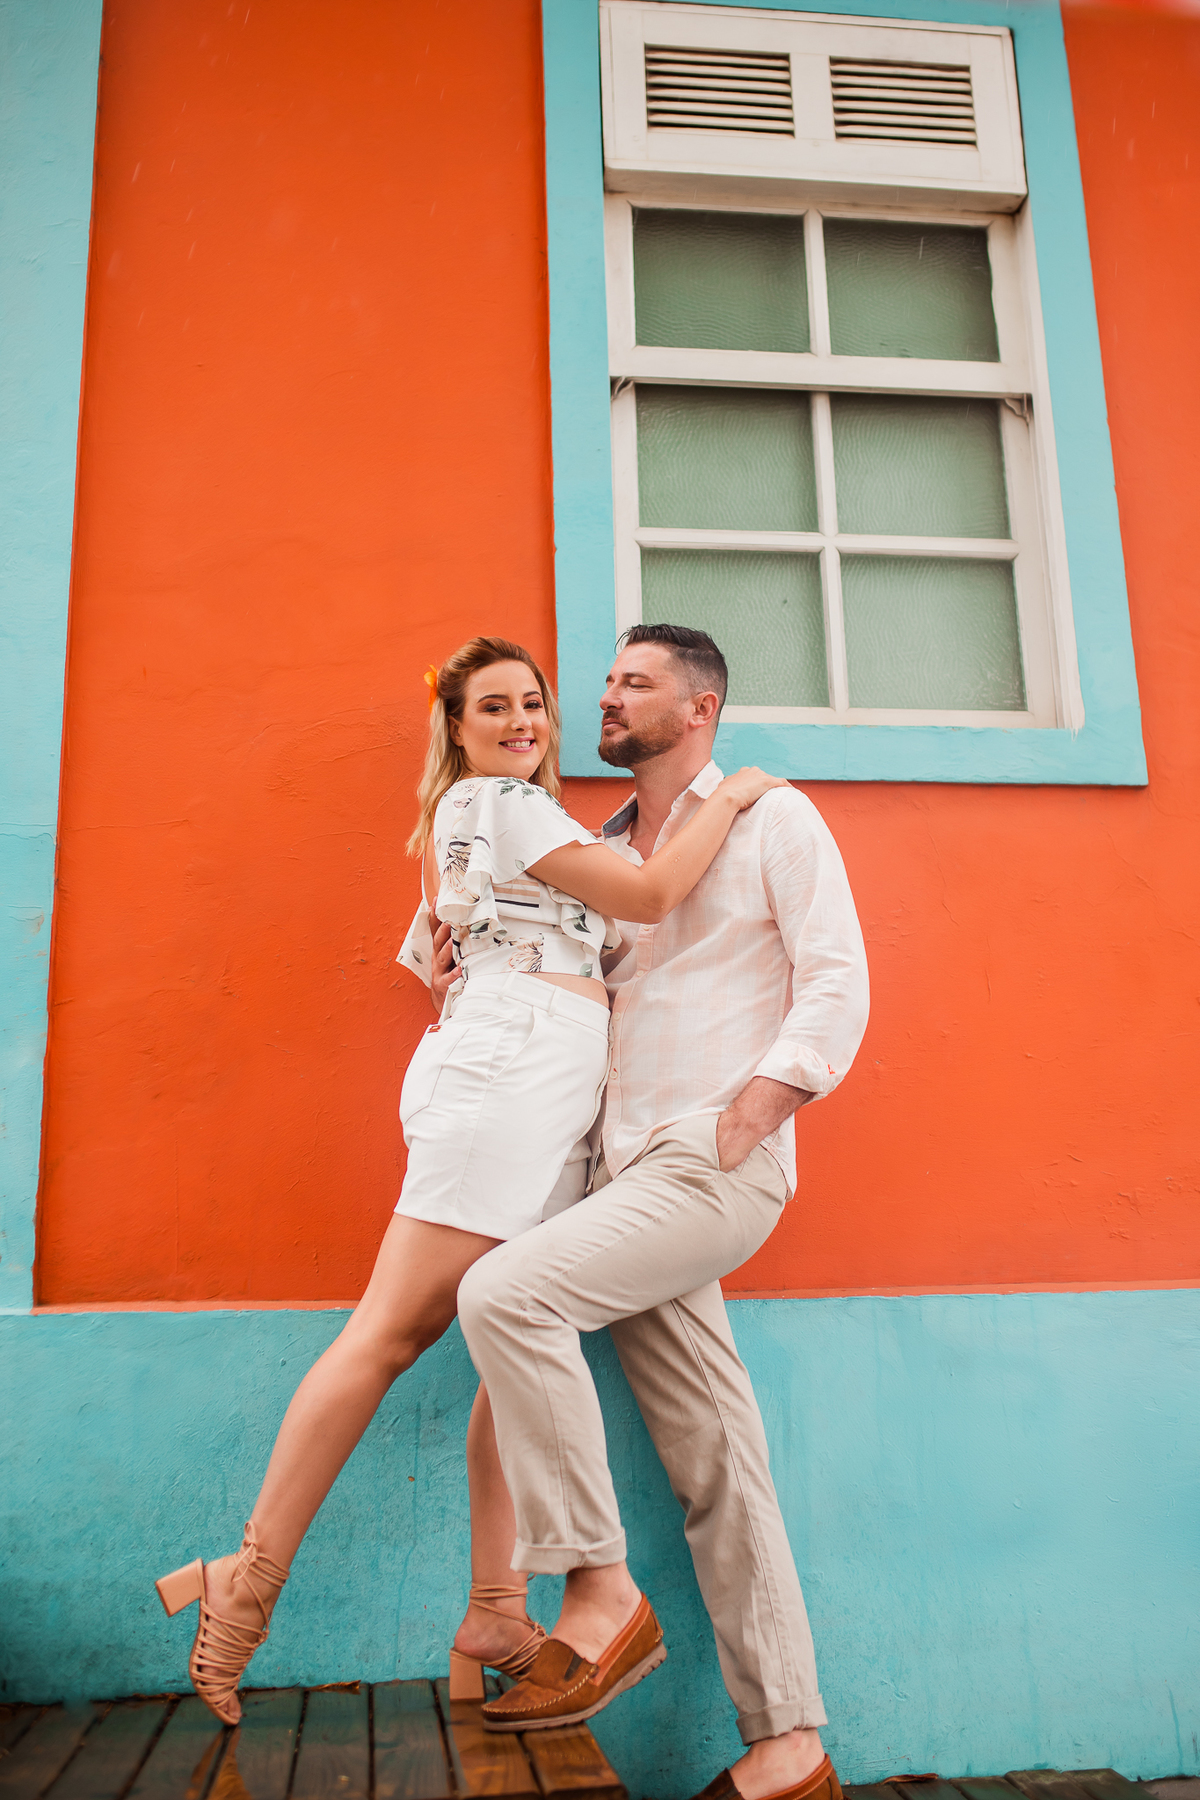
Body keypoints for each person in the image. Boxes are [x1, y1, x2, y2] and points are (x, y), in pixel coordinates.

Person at [153, 634, 786, 1726]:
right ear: (455, 727)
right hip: (513, 1074)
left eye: (532, 703)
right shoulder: (500, 802)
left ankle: (497, 1608)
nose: (522, 722)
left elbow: (440, 951)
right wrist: (730, 798)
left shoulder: (505, 819)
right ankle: (244, 1580)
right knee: (392, 1330)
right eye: (493, 707)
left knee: (514, 1335)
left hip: (548, 1079)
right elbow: (648, 896)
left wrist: (481, 975)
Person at [453, 624, 870, 1800]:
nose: (606, 697)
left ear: (699, 708)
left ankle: (597, 1585)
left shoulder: (774, 818)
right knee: (720, 1464)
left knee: (506, 1295)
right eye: (606, 681)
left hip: (709, 1159)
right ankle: (790, 1747)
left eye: (633, 682)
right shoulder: (596, 851)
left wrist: (757, 1111)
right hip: (621, 1180)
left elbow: (836, 977)